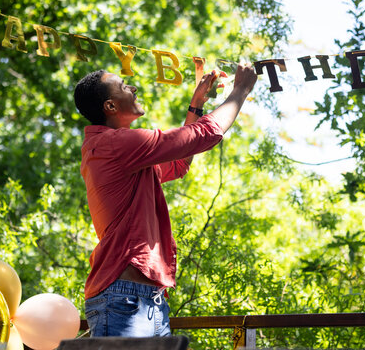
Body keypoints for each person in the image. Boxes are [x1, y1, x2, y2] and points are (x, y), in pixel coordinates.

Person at [73, 63, 257, 337]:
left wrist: (196, 106)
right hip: (126, 300)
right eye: (124, 86)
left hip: (147, 299)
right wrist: (240, 89)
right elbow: (206, 134)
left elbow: (179, 164)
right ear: (110, 107)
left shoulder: (119, 151)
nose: (133, 88)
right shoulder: (114, 145)